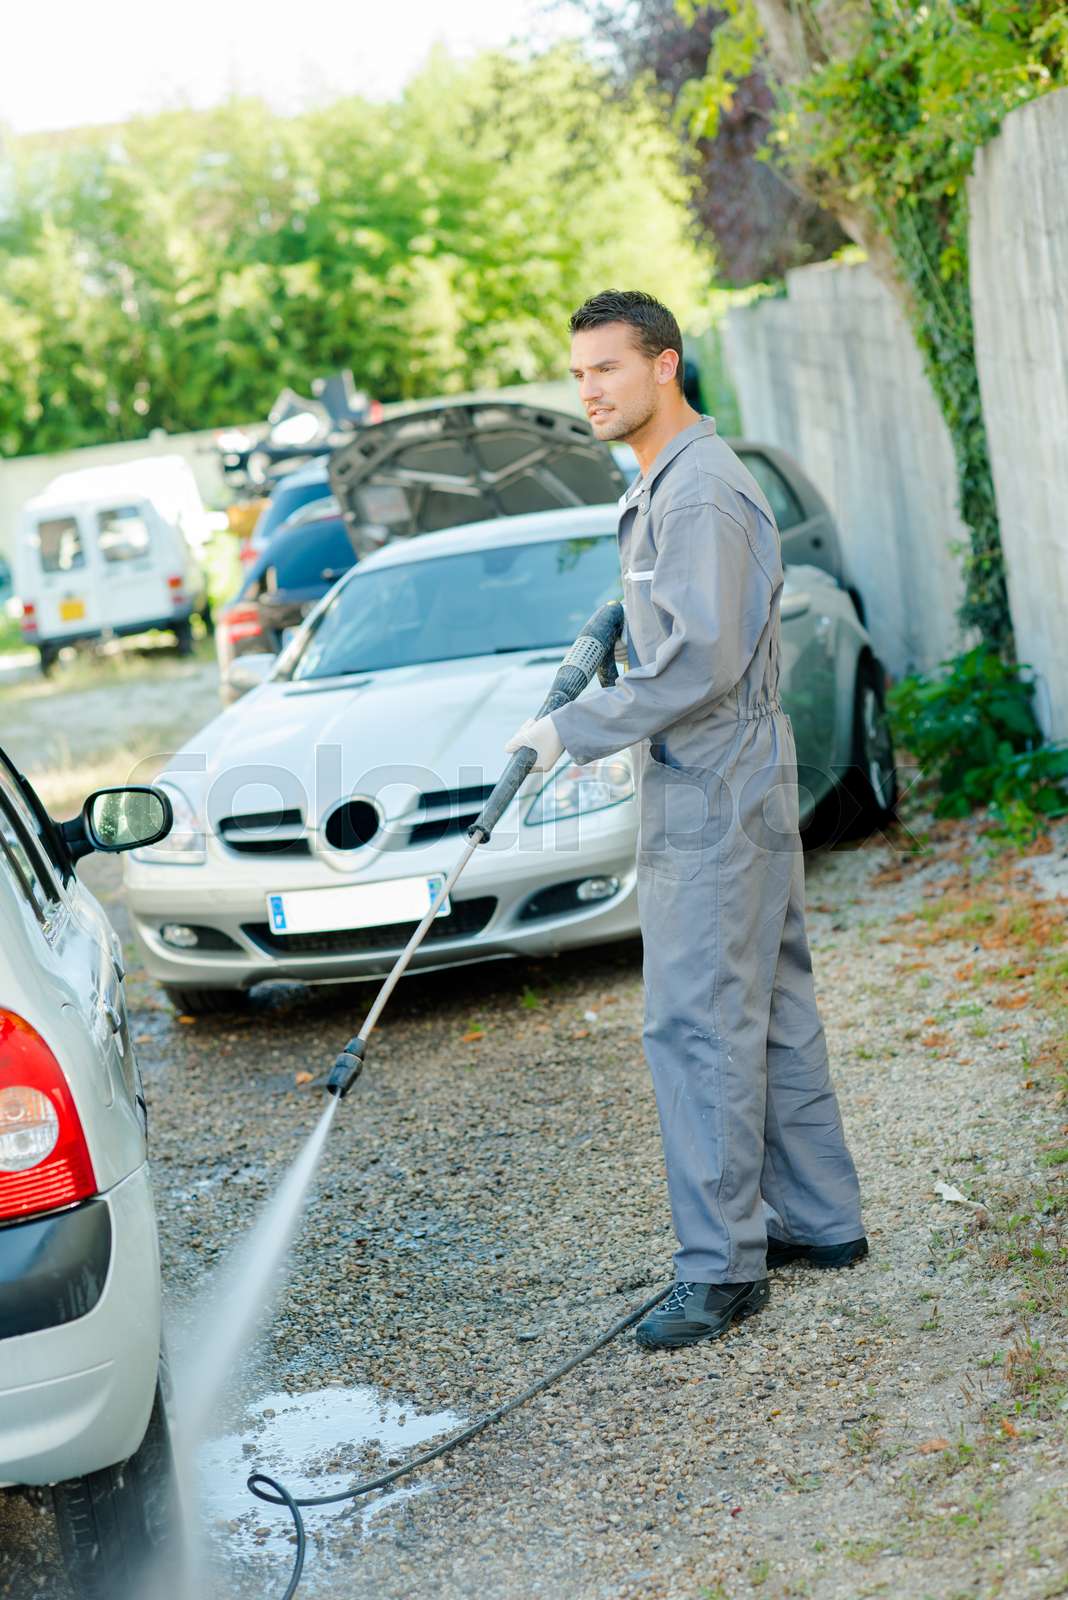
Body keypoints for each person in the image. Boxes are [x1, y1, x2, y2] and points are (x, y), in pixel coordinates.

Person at [505, 290, 866, 1351]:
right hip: (733, 770)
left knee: (697, 1018)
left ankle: (721, 1269)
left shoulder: (698, 491)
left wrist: (568, 728)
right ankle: (820, 1220)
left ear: (665, 366)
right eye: (577, 374)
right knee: (772, 997)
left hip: (713, 777)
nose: (589, 391)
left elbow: (700, 663)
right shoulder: (674, 483)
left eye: (606, 369)